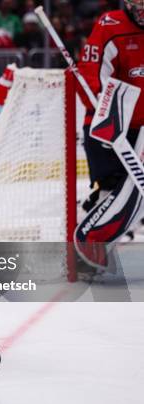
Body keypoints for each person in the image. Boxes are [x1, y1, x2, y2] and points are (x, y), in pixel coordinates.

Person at [75, 0, 144, 243]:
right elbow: (90, 72)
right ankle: (96, 234)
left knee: (134, 194)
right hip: (110, 125)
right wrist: (106, 114)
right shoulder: (111, 25)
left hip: (142, 129)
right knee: (110, 188)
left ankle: (126, 218)